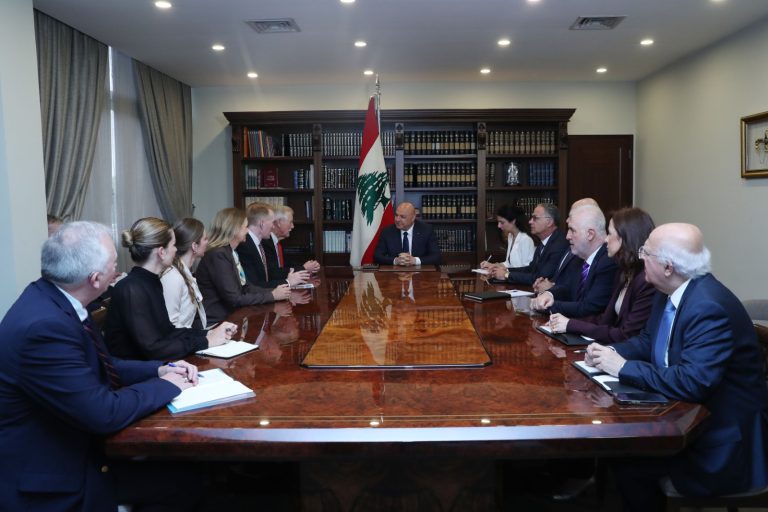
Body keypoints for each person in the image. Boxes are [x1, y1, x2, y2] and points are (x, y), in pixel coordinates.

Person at [0, 221, 201, 510]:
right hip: (51, 479)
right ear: (95, 279)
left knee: (186, 470)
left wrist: (159, 370)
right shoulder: (44, 327)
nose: (118, 272)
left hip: (74, 445)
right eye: (114, 266)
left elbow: (101, 364)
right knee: (184, 483)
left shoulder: (56, 298)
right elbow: (103, 413)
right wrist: (167, 386)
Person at [585, 223, 768, 511]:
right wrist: (608, 353)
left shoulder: (708, 307)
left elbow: (692, 382)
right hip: (686, 417)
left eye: (646, 252)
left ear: (668, 267)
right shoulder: (669, 290)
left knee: (628, 464)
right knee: (621, 452)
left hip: (719, 443)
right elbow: (648, 341)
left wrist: (622, 368)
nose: (640, 256)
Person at [105, 217, 235, 361]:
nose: (176, 250)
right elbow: (153, 348)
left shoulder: (151, 281)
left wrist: (208, 334)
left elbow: (168, 331)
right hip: (137, 369)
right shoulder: (132, 289)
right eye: (173, 245)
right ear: (161, 252)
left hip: (151, 364)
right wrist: (206, 342)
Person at [547, 207, 658, 343]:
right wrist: (567, 323)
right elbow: (605, 319)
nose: (605, 239)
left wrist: (571, 324)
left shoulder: (645, 280)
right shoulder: (624, 272)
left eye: (610, 234)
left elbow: (626, 334)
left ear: (625, 238)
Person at [197, 207, 291, 325]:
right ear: (234, 229)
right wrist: (272, 295)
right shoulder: (218, 255)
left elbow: (245, 287)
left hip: (230, 318)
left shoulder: (229, 252)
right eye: (245, 227)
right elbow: (235, 298)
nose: (247, 231)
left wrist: (275, 291)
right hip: (216, 322)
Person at [531, 204, 617, 318]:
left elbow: (589, 307)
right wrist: (549, 294)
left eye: (572, 230)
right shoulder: (580, 257)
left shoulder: (607, 261)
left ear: (590, 234)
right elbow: (569, 289)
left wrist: (548, 306)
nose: (567, 236)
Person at [491, 202, 568, 284]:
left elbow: (540, 278)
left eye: (535, 218)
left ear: (549, 222)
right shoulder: (543, 242)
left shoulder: (558, 245)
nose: (530, 221)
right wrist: (506, 270)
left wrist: (507, 275)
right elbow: (531, 269)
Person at [236, 202, 309, 288]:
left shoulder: (258, 244)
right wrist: (288, 282)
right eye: (272, 222)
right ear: (262, 224)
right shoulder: (245, 246)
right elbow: (253, 286)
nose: (273, 227)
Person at [161, 217, 209, 329]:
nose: (208, 242)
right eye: (205, 239)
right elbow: (171, 325)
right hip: (183, 338)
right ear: (194, 246)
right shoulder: (172, 277)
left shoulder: (183, 272)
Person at [373, 201, 442, 265]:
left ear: (413, 218)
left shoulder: (426, 230)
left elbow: (437, 257)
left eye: (402, 217)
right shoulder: (387, 232)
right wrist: (395, 260)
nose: (397, 219)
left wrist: (415, 260)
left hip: (420, 272)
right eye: (396, 215)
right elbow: (377, 256)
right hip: (394, 272)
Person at [265, 204, 321, 277]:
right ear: (279, 222)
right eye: (290, 222)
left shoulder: (278, 243)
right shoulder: (266, 243)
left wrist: (310, 267)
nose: (293, 226)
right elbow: (274, 273)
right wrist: (304, 268)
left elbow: (289, 265)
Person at [479, 204, 535, 272]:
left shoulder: (526, 240)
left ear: (513, 221)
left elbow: (527, 269)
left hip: (518, 278)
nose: (499, 226)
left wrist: (505, 272)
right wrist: (493, 265)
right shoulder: (510, 236)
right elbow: (508, 264)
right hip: (511, 276)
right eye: (498, 222)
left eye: (502, 222)